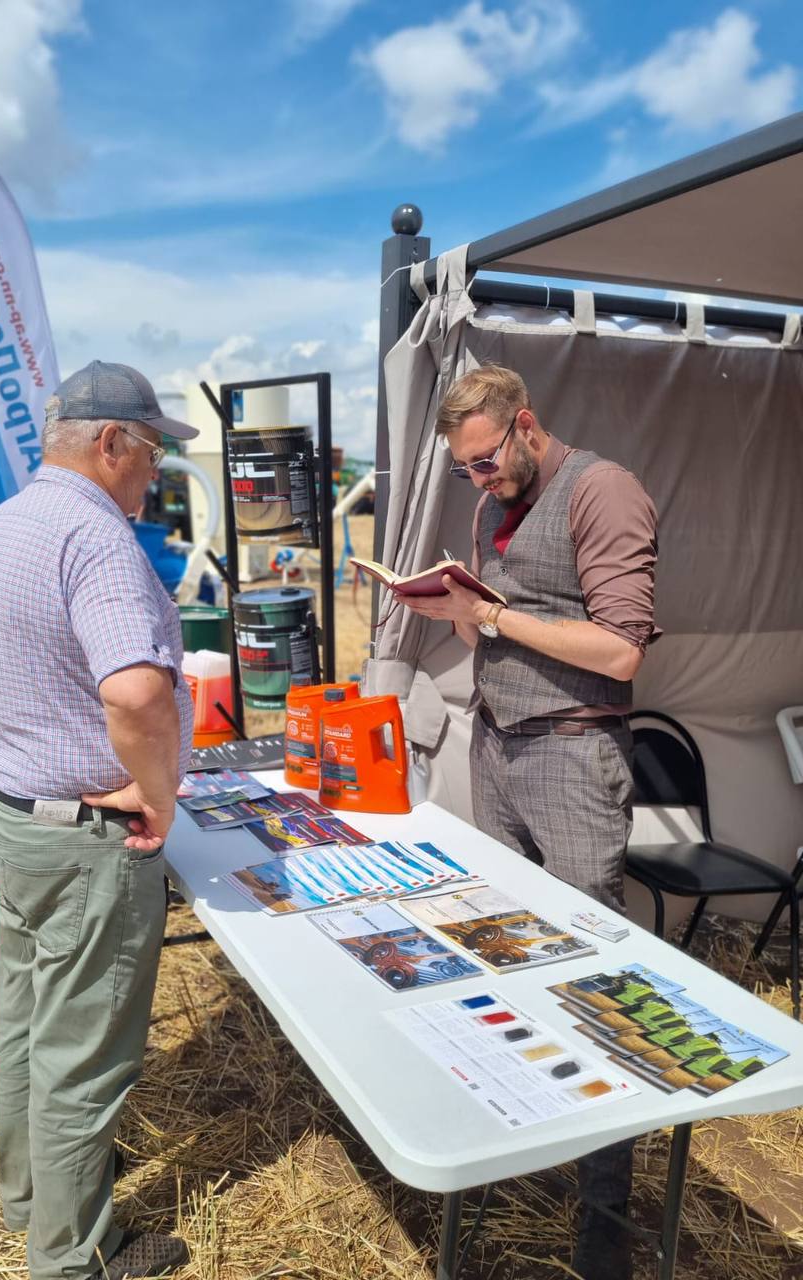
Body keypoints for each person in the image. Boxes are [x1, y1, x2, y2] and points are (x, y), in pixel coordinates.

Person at [402, 364, 659, 1280]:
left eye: (486, 459)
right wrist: (456, 612)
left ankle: (606, 1211)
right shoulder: (489, 505)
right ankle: (532, 1135)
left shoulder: (603, 491)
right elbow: (489, 630)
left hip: (573, 757)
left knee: (595, 968)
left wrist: (496, 617)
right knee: (507, 950)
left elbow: (620, 651)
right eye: (464, 467)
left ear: (526, 424)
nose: (479, 477)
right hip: (500, 745)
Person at [0, 360, 198, 1280]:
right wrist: (160, 793)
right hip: (81, 841)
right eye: (152, 455)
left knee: (27, 1022)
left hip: (11, 813)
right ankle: (70, 1259)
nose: (155, 475)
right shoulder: (97, 539)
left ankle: (32, 1201)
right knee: (82, 1056)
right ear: (110, 444)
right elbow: (135, 693)